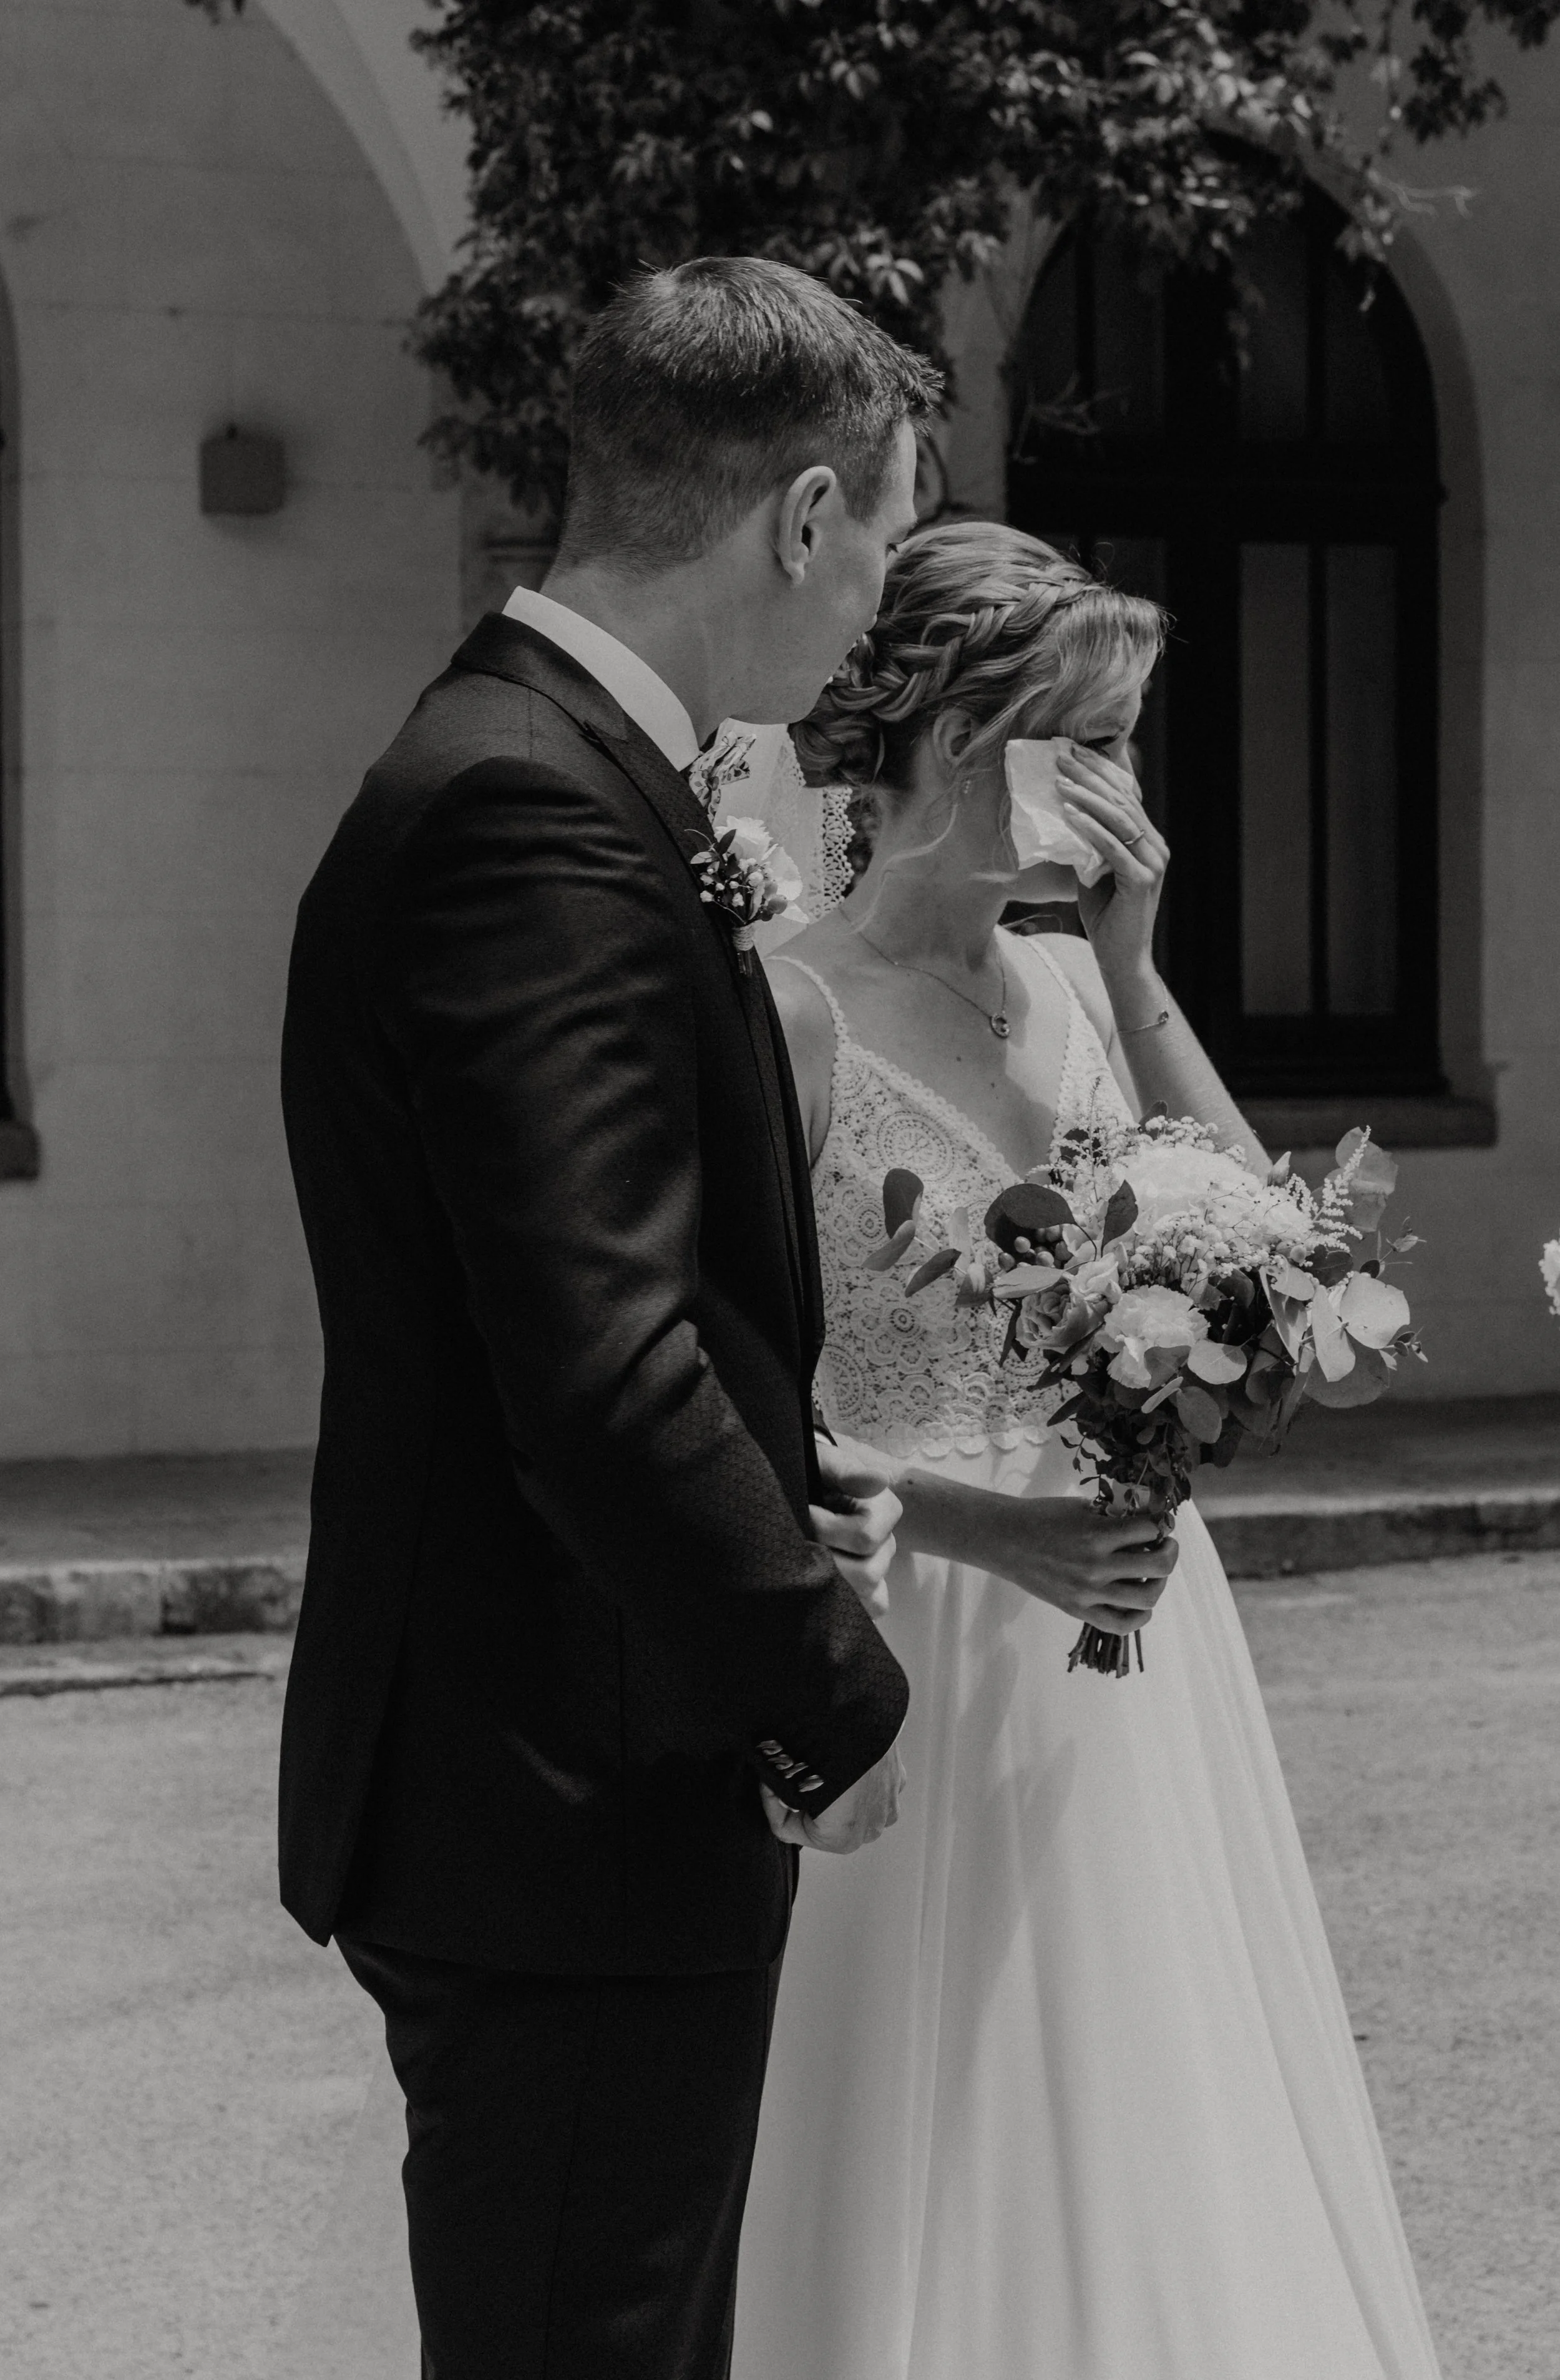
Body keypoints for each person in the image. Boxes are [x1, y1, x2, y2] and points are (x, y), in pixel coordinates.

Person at [276, 256, 938, 2380]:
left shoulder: (563, 771)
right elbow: (595, 1361)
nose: (873, 612)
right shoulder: (530, 811)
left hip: (564, 1765)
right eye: (886, 544)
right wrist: (834, 1688)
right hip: (555, 1781)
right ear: (805, 513)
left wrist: (789, 1463)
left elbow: (599, 1292)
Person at [733, 521, 1443, 2379]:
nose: (1129, 788)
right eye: (1099, 740)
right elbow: (734, 1404)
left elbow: (1313, 1286)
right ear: (968, 735)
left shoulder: (1068, 990)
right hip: (918, 1632)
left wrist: (1134, 973)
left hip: (1128, 1653)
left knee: (1144, 2094)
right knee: (910, 2114)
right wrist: (998, 1537)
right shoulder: (783, 1011)